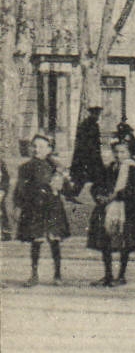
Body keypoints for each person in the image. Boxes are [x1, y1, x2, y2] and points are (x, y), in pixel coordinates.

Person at [14, 134, 72, 285]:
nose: (36, 149)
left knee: (55, 241)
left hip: (53, 208)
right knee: (36, 241)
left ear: (49, 149)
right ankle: (34, 274)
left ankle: (58, 275)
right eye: (34, 146)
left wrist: (64, 182)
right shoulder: (26, 167)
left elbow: (68, 189)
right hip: (35, 208)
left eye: (41, 146)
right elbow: (20, 189)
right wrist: (18, 206)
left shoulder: (56, 167)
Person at [87, 138, 135, 286]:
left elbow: (134, 190)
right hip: (106, 208)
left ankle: (121, 275)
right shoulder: (110, 167)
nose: (119, 155)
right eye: (116, 151)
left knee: (124, 243)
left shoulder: (134, 169)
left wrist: (116, 196)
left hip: (126, 210)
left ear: (130, 153)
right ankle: (108, 274)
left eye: (123, 152)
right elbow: (96, 184)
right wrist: (99, 195)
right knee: (105, 241)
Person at [68, 104, 103, 198]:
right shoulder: (87, 124)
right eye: (96, 114)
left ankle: (96, 194)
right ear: (91, 114)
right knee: (84, 175)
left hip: (92, 154)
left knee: (95, 175)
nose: (97, 117)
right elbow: (84, 141)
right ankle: (73, 193)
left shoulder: (93, 124)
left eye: (98, 114)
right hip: (86, 154)